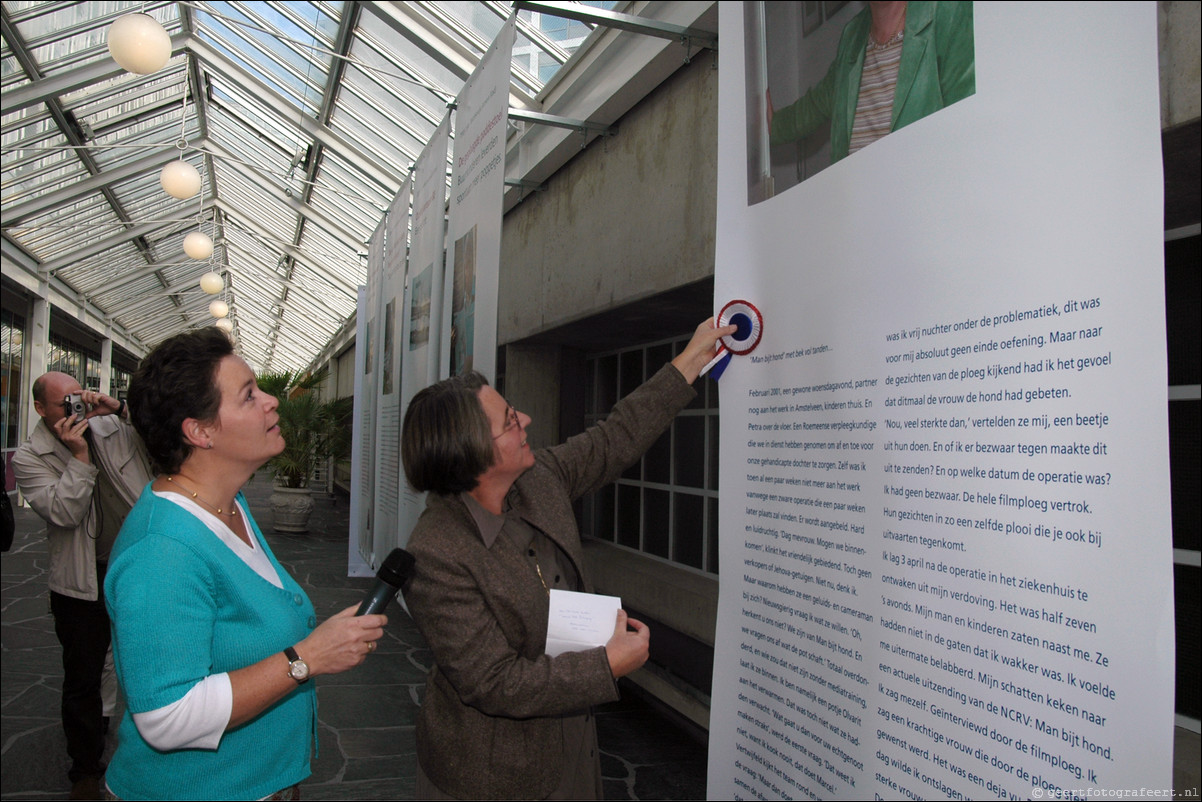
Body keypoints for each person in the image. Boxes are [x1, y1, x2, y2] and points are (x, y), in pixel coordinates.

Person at [401, 318, 735, 799]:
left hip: (572, 743)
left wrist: (691, 359)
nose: (527, 421)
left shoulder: (540, 481)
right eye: (511, 422)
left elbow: (616, 437)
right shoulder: (436, 555)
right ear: (471, 455)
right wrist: (607, 666)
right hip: (497, 775)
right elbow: (493, 682)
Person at [102, 328, 386, 800]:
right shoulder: (162, 550)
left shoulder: (226, 505)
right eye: (249, 395)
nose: (272, 401)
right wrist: (307, 658)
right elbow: (166, 717)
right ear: (200, 430)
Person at [12, 372, 153, 799]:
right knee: (83, 678)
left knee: (149, 661)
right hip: (81, 580)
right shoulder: (28, 457)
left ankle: (150, 749)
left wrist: (122, 410)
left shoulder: (111, 426)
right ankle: (85, 769)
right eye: (64, 404)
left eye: (79, 398)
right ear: (40, 409)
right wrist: (78, 456)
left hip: (138, 566)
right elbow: (64, 513)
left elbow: (166, 444)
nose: (77, 410)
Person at [767, 1, 975, 164]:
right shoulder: (852, 36)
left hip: (924, 204)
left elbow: (968, 119)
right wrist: (769, 126)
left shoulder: (946, 11)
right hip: (859, 207)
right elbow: (814, 106)